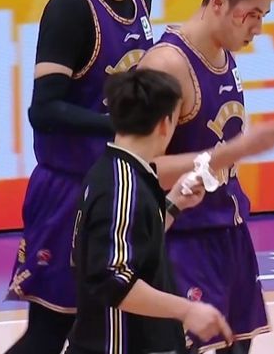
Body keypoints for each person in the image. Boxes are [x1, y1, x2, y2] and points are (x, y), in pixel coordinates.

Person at [5, 0, 167, 352]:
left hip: (116, 188)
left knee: (113, 328)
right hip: (68, 191)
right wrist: (117, 125)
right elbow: (44, 110)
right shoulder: (71, 7)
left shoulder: (141, 0)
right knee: (50, 329)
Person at [138, 0, 274, 353]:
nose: (258, 27)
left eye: (264, 15)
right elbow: (138, 168)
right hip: (182, 238)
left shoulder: (224, 54)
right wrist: (236, 150)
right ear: (219, 3)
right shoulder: (166, 65)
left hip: (230, 229)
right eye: (253, 14)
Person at [66, 68, 233, 354]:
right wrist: (187, 310)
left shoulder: (116, 172)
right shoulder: (122, 187)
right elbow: (113, 279)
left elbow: (135, 242)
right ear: (165, 123)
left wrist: (174, 204)